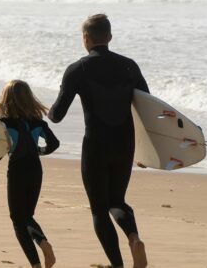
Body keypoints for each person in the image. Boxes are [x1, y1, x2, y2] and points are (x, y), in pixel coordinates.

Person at [48, 14, 149, 268]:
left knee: (98, 209)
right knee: (117, 201)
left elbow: (57, 115)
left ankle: (117, 264)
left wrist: (46, 110)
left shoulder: (77, 69)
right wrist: (149, 151)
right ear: (110, 37)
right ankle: (134, 237)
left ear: (85, 39)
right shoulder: (130, 66)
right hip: (125, 144)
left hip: (96, 145)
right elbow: (147, 107)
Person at [0, 80, 59, 268]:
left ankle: (37, 260)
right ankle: (42, 245)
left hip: (17, 170)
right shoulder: (38, 122)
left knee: (17, 219)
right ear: (29, 98)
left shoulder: (3, 124)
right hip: (36, 170)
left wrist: (2, 148)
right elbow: (54, 144)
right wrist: (39, 151)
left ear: (6, 100)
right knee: (27, 216)